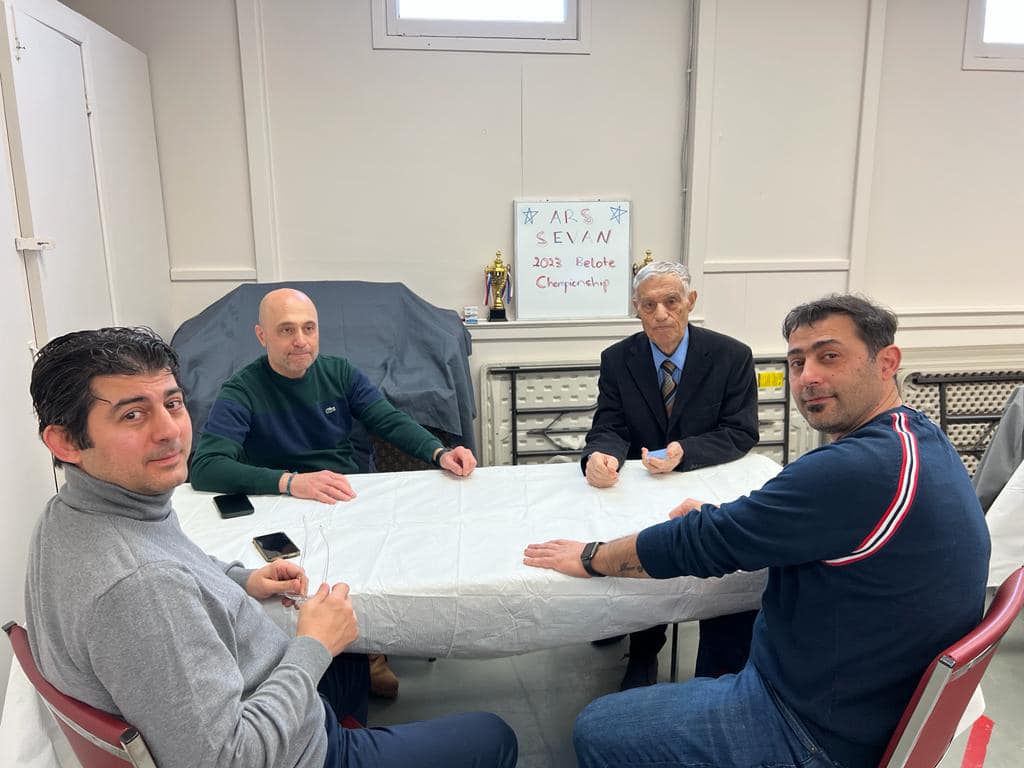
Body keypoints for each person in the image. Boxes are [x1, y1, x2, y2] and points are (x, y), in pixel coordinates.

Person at [524, 294, 991, 768]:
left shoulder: (855, 467)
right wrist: (733, 520)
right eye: (797, 362)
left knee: (599, 726)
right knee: (730, 615)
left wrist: (592, 556)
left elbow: (702, 542)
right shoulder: (916, 438)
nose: (807, 377)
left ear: (887, 362)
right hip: (867, 695)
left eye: (829, 356)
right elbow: (782, 522)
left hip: (816, 728)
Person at [25, 327, 518, 768]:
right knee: (493, 735)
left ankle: (350, 715)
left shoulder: (72, 514)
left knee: (351, 653)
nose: (169, 431)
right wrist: (312, 647)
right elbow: (225, 758)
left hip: (258, 691)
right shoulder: (143, 589)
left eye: (173, 404)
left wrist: (241, 579)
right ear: (65, 442)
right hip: (287, 750)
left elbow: (386, 418)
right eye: (133, 415)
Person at [190, 287, 477, 696]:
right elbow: (206, 466)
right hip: (281, 502)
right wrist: (290, 481)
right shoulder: (242, 390)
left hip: (343, 493)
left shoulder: (339, 373)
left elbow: (388, 419)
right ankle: (305, 655)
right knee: (296, 581)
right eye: (286, 330)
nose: (300, 341)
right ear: (261, 335)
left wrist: (439, 452)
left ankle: (371, 650)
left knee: (374, 561)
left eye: (308, 328)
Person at [582, 261, 760, 689]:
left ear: (690, 302)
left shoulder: (732, 356)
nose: (661, 313)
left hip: (703, 479)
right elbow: (609, 424)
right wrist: (600, 455)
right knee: (636, 547)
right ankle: (642, 644)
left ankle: (711, 657)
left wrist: (685, 452)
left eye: (671, 301)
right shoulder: (617, 359)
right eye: (649, 305)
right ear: (636, 308)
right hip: (642, 485)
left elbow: (741, 431)